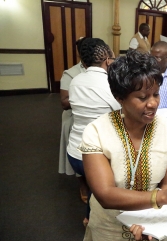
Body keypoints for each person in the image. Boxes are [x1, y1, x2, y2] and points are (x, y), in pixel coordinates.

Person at [79, 50, 167, 241]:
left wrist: (152, 221)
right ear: (120, 98)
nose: (153, 103)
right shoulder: (97, 132)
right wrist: (161, 198)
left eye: (156, 94)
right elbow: (105, 194)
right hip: (110, 226)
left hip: (155, 221)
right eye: (142, 98)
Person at [67, 38, 121, 226]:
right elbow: (122, 112)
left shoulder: (75, 81)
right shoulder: (109, 83)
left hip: (74, 152)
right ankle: (93, 221)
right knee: (103, 191)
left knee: (93, 188)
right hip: (95, 155)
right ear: (107, 59)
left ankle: (89, 217)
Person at [58, 36, 89, 204]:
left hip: (95, 113)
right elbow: (64, 103)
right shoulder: (70, 74)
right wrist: (84, 96)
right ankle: (83, 184)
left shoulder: (103, 71)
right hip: (74, 116)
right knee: (74, 131)